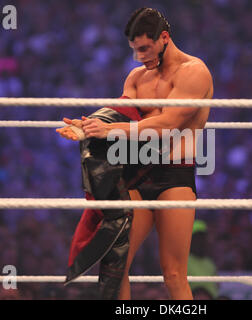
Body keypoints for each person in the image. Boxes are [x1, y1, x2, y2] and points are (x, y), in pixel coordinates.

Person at [58, 7, 213, 300]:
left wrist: (109, 131)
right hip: (135, 173)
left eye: (144, 48)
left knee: (174, 272)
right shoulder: (137, 77)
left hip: (175, 174)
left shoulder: (194, 72)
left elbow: (168, 124)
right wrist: (87, 126)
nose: (140, 56)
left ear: (164, 37)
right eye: (134, 50)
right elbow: (118, 115)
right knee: (116, 264)